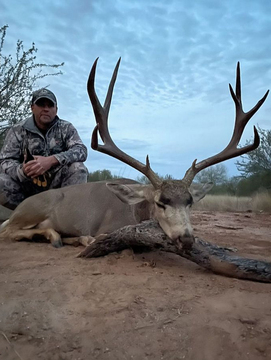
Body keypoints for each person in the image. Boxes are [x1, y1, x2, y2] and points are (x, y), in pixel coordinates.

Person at [0, 88, 88, 210]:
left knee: (78, 168)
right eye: (41, 104)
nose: (46, 109)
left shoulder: (66, 128)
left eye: (50, 105)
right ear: (32, 107)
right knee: (1, 180)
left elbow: (81, 150)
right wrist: (23, 171)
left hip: (57, 189)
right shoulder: (17, 130)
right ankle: (26, 216)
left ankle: (66, 214)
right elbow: (5, 161)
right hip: (27, 188)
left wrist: (51, 160)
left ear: (56, 110)